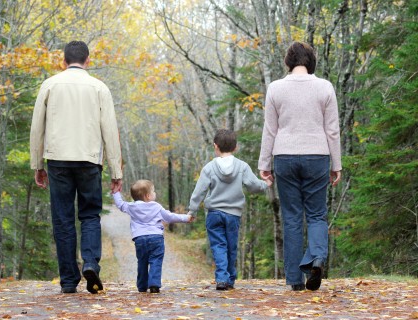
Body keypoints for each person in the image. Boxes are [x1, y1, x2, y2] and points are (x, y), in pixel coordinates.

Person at [30, 40, 123, 294]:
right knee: (90, 215)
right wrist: (117, 171)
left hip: (58, 160)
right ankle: (91, 262)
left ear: (63, 61)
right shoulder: (99, 88)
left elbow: (37, 128)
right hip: (89, 160)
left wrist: (37, 164)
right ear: (88, 60)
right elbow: (110, 130)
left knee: (62, 219)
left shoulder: (49, 85)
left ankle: (69, 280)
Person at [258, 41, 342, 291]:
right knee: (316, 214)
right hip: (317, 155)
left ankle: (295, 279)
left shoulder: (275, 88)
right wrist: (336, 164)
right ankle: (316, 258)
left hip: (285, 156)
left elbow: (270, 129)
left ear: (289, 62)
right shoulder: (325, 87)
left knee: (292, 217)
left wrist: (264, 163)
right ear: (310, 61)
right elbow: (333, 130)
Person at [187, 129, 270, 290]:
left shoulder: (209, 168)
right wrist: (265, 184)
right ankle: (229, 279)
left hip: (214, 214)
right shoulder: (242, 166)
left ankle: (222, 278)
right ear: (235, 147)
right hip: (233, 215)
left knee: (218, 246)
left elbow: (199, 191)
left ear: (215, 146)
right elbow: (253, 186)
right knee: (231, 246)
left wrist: (192, 210)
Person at [112, 180, 193, 293]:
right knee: (156, 261)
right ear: (148, 196)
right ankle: (154, 284)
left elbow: (120, 204)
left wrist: (116, 193)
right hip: (156, 238)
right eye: (153, 191)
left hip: (139, 239)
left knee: (142, 262)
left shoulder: (132, 207)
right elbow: (170, 217)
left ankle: (142, 286)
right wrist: (186, 218)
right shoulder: (156, 207)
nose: (155, 193)